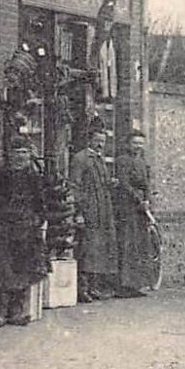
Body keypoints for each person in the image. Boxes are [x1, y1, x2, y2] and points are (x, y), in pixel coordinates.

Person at [0, 136, 48, 327]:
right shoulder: (0, 175)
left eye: (24, 152)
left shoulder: (34, 177)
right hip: (4, 228)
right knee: (1, 269)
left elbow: (40, 203)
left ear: (29, 155)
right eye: (16, 152)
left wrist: (37, 220)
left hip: (26, 228)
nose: (20, 157)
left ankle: (16, 311)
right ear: (9, 155)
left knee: (22, 268)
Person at [69, 119, 119, 302]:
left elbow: (100, 183)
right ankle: (82, 289)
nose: (100, 145)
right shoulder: (81, 158)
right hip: (89, 210)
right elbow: (75, 186)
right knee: (87, 250)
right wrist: (79, 213)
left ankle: (93, 287)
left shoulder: (99, 159)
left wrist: (110, 183)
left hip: (103, 210)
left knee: (99, 250)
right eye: (97, 140)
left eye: (103, 142)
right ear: (89, 140)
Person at [114, 127, 158, 298]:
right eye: (135, 143)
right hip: (128, 208)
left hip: (141, 210)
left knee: (140, 245)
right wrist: (139, 201)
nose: (138, 146)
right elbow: (124, 184)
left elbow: (147, 183)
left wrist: (147, 200)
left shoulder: (142, 162)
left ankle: (137, 284)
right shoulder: (123, 160)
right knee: (128, 245)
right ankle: (124, 285)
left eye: (141, 143)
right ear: (128, 144)